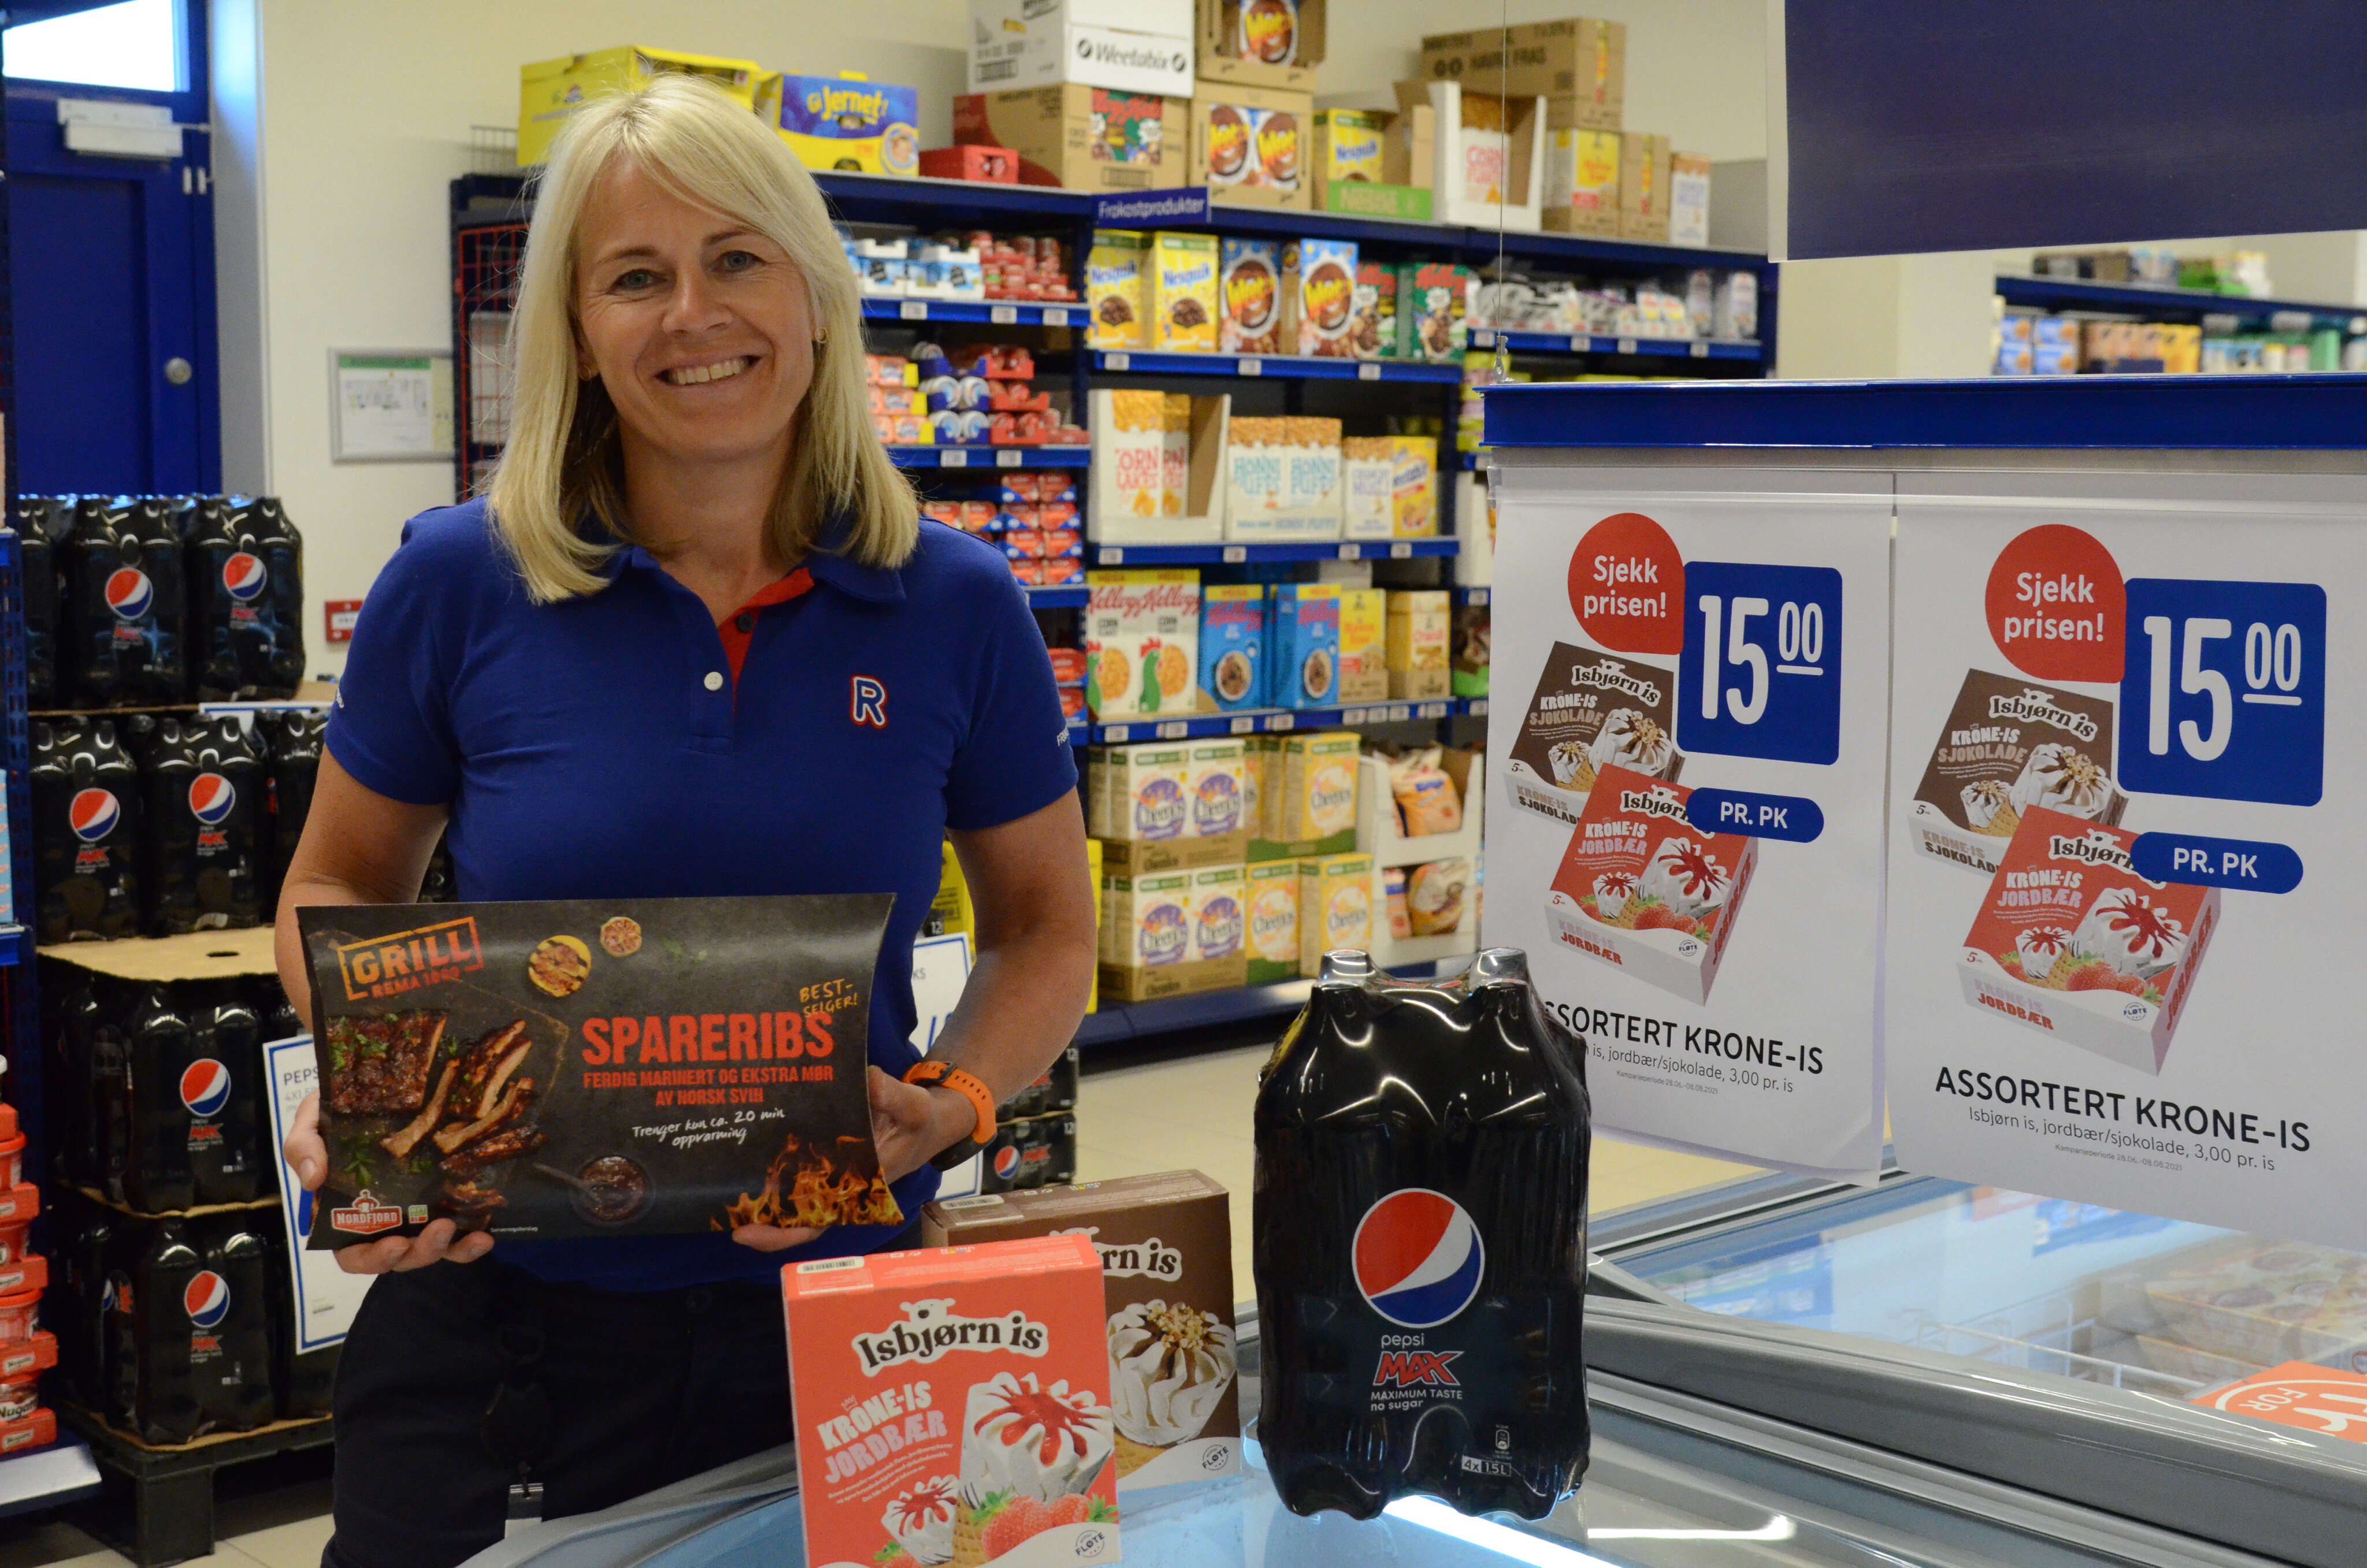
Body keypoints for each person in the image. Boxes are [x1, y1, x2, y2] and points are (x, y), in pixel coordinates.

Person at [273, 75, 1096, 1568]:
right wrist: (380, 1091)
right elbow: (334, 879)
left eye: (736, 259)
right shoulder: (457, 582)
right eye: (635, 277)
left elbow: (1046, 928)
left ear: (816, 296)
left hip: (850, 1335)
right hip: (503, 1333)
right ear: (577, 333)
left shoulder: (957, 606)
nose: (693, 314)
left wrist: (954, 1102)